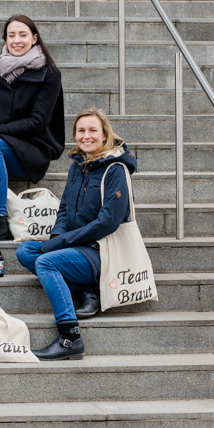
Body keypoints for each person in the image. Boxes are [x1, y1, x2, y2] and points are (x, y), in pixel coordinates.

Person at [16, 108, 136, 360]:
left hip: (101, 251)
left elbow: (108, 222)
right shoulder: (78, 165)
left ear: (105, 135)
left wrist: (63, 242)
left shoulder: (115, 169)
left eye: (93, 130)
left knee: (46, 262)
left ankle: (70, 338)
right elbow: (65, 208)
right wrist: (57, 236)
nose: (86, 136)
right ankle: (85, 290)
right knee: (25, 251)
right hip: (76, 247)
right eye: (81, 131)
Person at [0, 14, 64, 241]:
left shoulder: (50, 74)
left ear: (35, 38)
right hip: (2, 143)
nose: (17, 40)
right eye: (11, 35)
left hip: (32, 150)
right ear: (5, 39)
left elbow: (37, 121)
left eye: (23, 35)